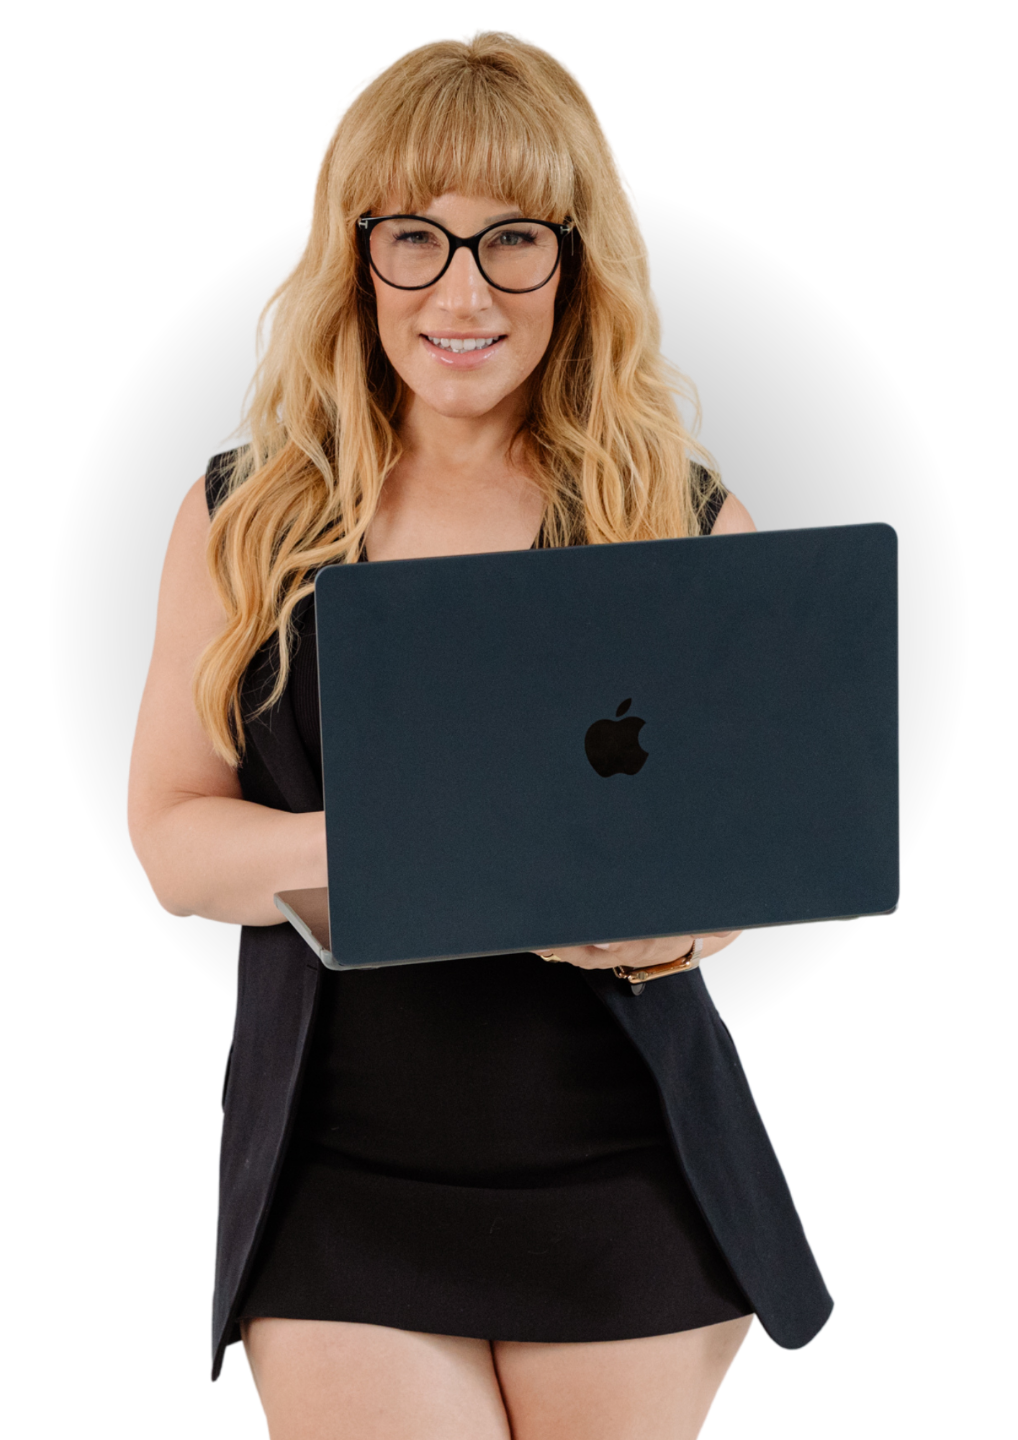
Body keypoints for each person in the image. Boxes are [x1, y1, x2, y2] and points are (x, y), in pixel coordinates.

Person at [126, 28, 833, 1440]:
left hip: (627, 1152)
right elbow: (173, 845)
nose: (463, 292)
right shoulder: (246, 512)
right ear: (354, 257)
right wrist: (419, 855)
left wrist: (659, 933)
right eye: (415, 239)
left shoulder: (684, 520)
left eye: (514, 239)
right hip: (335, 1167)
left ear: (577, 262)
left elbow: (733, 873)